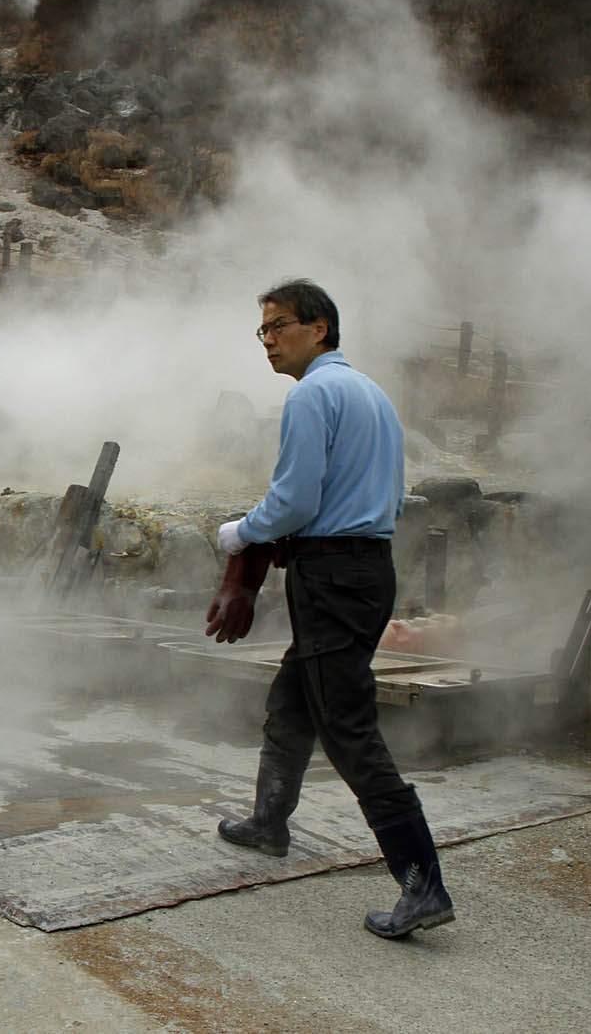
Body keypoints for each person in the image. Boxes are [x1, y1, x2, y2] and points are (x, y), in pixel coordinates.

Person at [206, 278, 454, 939]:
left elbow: (292, 501)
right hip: (368, 568)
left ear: (320, 327)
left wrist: (241, 534)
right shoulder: (372, 395)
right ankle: (268, 820)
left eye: (279, 325)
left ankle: (421, 880)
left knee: (347, 726)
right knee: (295, 695)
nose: (268, 340)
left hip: (333, 575)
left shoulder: (313, 393)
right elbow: (393, 496)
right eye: (261, 330)